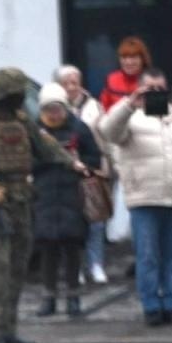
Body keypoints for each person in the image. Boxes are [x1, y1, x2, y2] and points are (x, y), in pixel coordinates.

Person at [0, 67, 76, 343]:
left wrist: (74, 164)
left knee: (19, 265)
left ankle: (10, 330)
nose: (19, 98)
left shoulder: (24, 122)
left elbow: (47, 148)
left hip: (22, 200)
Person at [99, 67, 172, 327]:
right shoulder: (130, 118)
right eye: (151, 88)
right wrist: (129, 104)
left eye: (161, 88)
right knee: (147, 256)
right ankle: (151, 306)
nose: (157, 93)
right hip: (144, 199)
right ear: (139, 88)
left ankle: (171, 304)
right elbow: (108, 131)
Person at [32, 82, 102, 318]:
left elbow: (95, 158)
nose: (54, 114)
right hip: (44, 197)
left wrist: (83, 166)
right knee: (48, 250)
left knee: (73, 249)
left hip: (74, 197)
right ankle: (48, 298)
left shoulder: (79, 129)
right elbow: (25, 162)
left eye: (58, 109)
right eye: (49, 109)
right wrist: (48, 160)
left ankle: (73, 298)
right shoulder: (35, 132)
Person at [55, 64, 109, 284]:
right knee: (71, 222)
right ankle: (74, 266)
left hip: (92, 169)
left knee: (96, 219)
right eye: (66, 83)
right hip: (65, 173)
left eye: (74, 82)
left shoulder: (94, 106)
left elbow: (104, 137)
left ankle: (95, 264)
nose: (71, 87)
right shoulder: (54, 109)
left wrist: (106, 168)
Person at [98, 36, 150, 113]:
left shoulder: (152, 80)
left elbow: (158, 116)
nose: (129, 62)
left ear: (143, 59)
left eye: (133, 57)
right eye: (124, 57)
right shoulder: (111, 79)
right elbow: (103, 111)